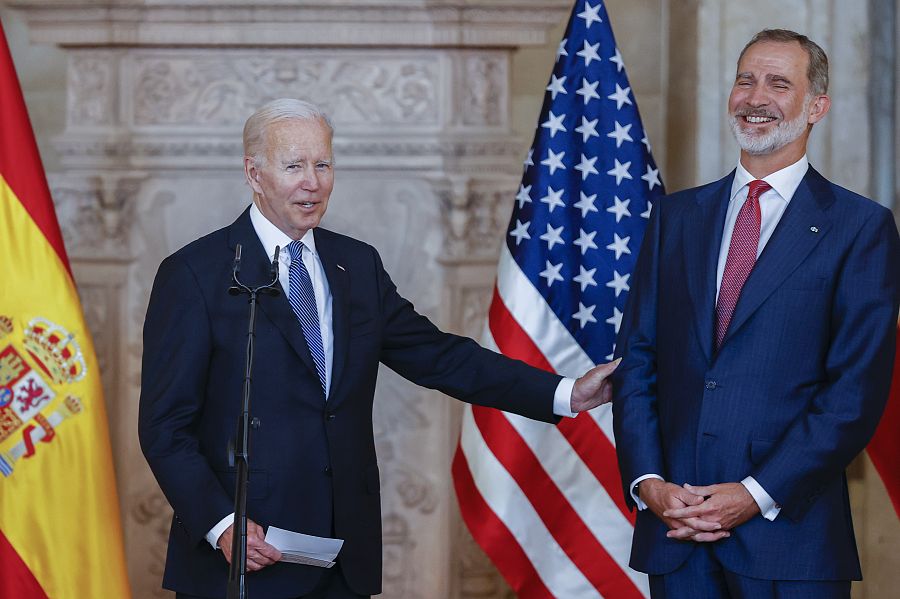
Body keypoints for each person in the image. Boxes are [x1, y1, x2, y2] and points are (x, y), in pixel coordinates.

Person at [138, 98, 617, 599]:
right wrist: (220, 523)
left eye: (323, 164)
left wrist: (564, 393)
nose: (313, 182)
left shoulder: (356, 265)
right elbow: (165, 426)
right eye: (294, 166)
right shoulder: (196, 274)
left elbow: (439, 355)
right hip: (245, 555)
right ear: (254, 174)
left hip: (343, 559)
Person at [612, 29, 900, 598]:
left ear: (816, 106)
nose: (755, 96)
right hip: (678, 534)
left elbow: (853, 394)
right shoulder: (675, 218)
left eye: (778, 83)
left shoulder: (860, 228)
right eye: (746, 79)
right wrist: (649, 484)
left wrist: (754, 493)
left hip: (790, 539)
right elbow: (638, 359)